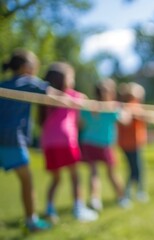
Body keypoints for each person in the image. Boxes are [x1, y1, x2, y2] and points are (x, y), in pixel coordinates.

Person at [0, 49, 53, 233]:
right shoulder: (28, 81)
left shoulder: (4, 84)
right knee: (27, 180)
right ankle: (31, 222)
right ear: (25, 67)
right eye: (34, 65)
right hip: (11, 139)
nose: (36, 69)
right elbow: (52, 93)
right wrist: (77, 100)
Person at [39, 62, 98, 223]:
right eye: (71, 77)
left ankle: (50, 209)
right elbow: (86, 103)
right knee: (75, 176)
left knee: (56, 179)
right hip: (66, 140)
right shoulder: (72, 96)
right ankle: (78, 209)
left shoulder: (45, 96)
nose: (73, 80)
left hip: (48, 142)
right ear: (64, 80)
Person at [80, 79, 129, 211]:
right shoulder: (110, 107)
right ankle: (99, 199)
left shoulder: (102, 106)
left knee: (106, 173)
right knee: (99, 173)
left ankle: (119, 198)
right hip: (96, 143)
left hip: (98, 143)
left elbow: (81, 123)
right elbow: (125, 121)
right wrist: (122, 111)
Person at [117, 82, 149, 203]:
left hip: (131, 143)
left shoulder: (130, 106)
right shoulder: (130, 106)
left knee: (135, 168)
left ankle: (134, 191)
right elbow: (126, 120)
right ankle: (133, 192)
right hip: (130, 143)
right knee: (136, 169)